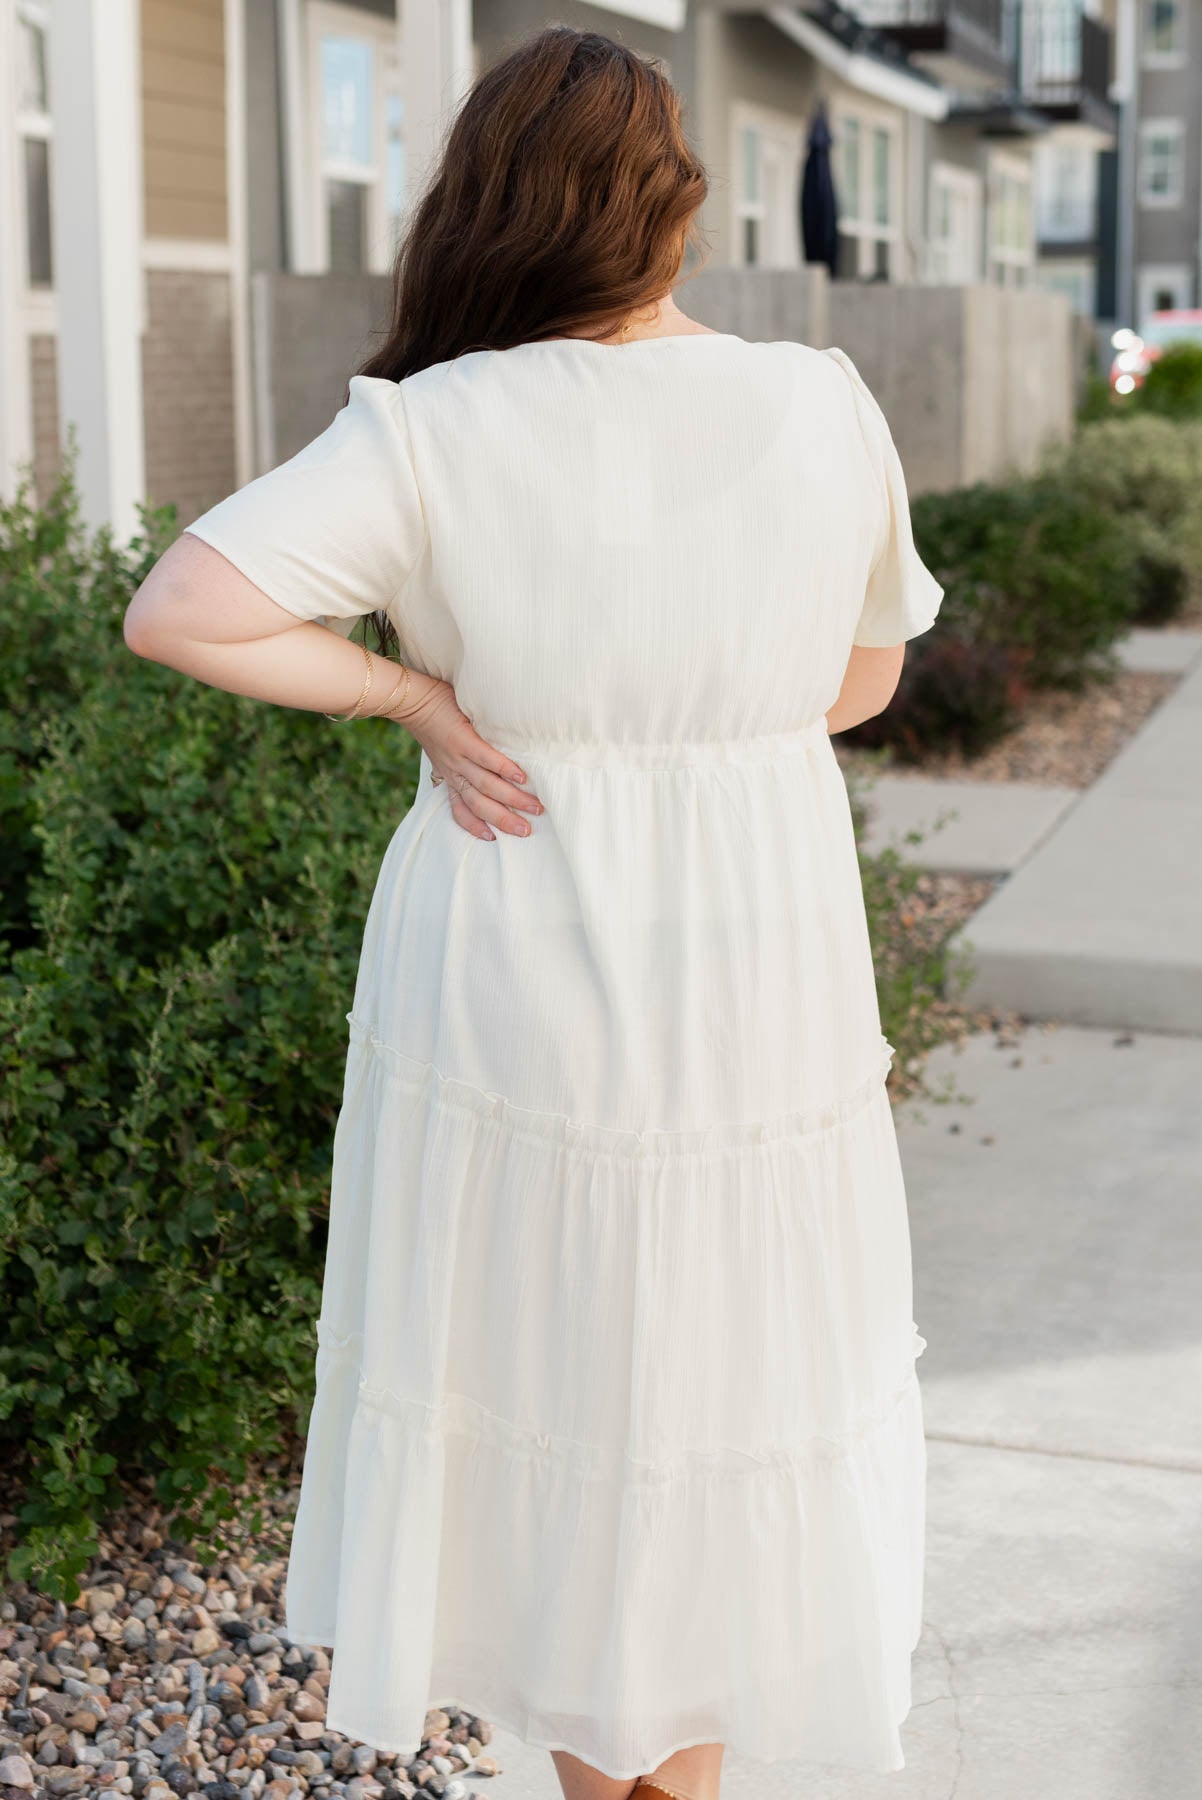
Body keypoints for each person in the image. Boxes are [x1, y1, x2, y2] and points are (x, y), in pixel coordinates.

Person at [124, 25, 943, 1800]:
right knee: (722, 1365)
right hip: (754, 943)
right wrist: (698, 732)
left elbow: (182, 608)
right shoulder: (819, 400)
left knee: (566, 1369)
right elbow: (866, 674)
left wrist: (422, 702)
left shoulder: (434, 428)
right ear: (674, 215)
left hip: (520, 920)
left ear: (487, 210)